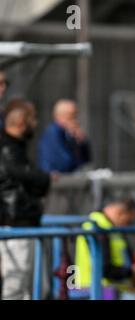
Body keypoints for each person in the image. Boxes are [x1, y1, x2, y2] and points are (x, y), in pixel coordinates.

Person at [0, 98, 51, 300]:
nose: (36, 123)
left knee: (33, 288)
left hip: (24, 223)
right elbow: (24, 178)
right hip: (15, 224)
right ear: (21, 121)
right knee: (16, 286)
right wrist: (44, 178)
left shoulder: (17, 148)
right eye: (33, 118)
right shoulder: (7, 149)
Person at [74, 198, 135, 299]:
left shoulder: (109, 226)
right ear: (120, 213)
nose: (128, 225)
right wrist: (132, 272)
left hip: (109, 289)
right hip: (98, 289)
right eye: (128, 220)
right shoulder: (97, 227)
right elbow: (105, 268)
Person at [38, 99, 91, 173]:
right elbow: (64, 163)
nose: (75, 120)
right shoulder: (53, 133)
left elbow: (86, 161)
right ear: (59, 116)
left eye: (76, 116)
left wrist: (81, 142)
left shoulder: (69, 134)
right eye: (71, 116)